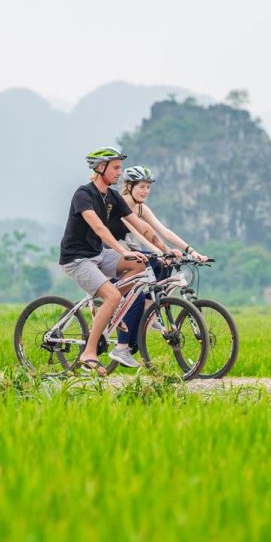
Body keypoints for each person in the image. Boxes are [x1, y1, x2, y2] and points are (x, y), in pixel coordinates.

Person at [58, 146, 164, 376]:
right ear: (100, 168)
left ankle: (114, 310)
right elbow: (98, 227)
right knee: (113, 295)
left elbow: (140, 226)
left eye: (120, 168)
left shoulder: (113, 196)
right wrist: (121, 251)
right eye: (115, 168)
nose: (119, 173)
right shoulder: (83, 194)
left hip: (98, 254)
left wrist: (165, 250)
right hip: (77, 258)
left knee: (141, 264)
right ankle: (89, 353)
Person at [105, 165, 208, 368]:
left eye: (148, 187)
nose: (145, 191)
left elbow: (162, 231)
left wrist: (191, 251)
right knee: (141, 282)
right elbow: (143, 234)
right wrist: (160, 252)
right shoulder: (122, 204)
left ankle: (150, 309)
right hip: (109, 252)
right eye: (141, 186)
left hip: (126, 250)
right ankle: (122, 346)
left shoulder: (141, 207)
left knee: (164, 265)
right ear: (129, 186)